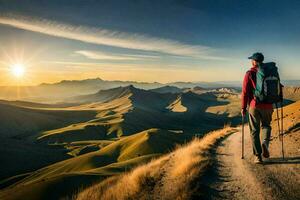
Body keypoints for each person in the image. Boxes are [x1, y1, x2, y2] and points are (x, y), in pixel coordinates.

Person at [241, 52, 273, 164]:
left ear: (254, 61)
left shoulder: (249, 73)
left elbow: (245, 92)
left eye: (252, 60)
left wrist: (243, 107)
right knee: (266, 126)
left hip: (255, 105)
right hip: (269, 105)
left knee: (254, 131)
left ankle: (258, 156)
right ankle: (265, 143)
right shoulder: (270, 71)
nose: (251, 61)